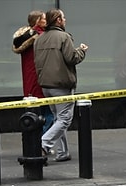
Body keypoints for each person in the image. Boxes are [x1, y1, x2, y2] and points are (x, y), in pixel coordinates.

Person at [33, 8, 88, 162]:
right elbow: (72, 58)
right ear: (58, 20)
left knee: (58, 118)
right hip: (61, 84)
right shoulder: (64, 37)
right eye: (63, 17)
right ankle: (43, 144)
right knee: (65, 119)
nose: (65, 20)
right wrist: (82, 51)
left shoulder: (39, 39)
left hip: (46, 85)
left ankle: (63, 152)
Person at [12, 10, 54, 138]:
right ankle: (43, 141)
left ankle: (37, 141)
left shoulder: (24, 36)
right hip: (41, 79)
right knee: (49, 114)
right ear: (38, 21)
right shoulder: (42, 36)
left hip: (30, 81)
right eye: (44, 19)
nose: (47, 21)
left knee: (36, 114)